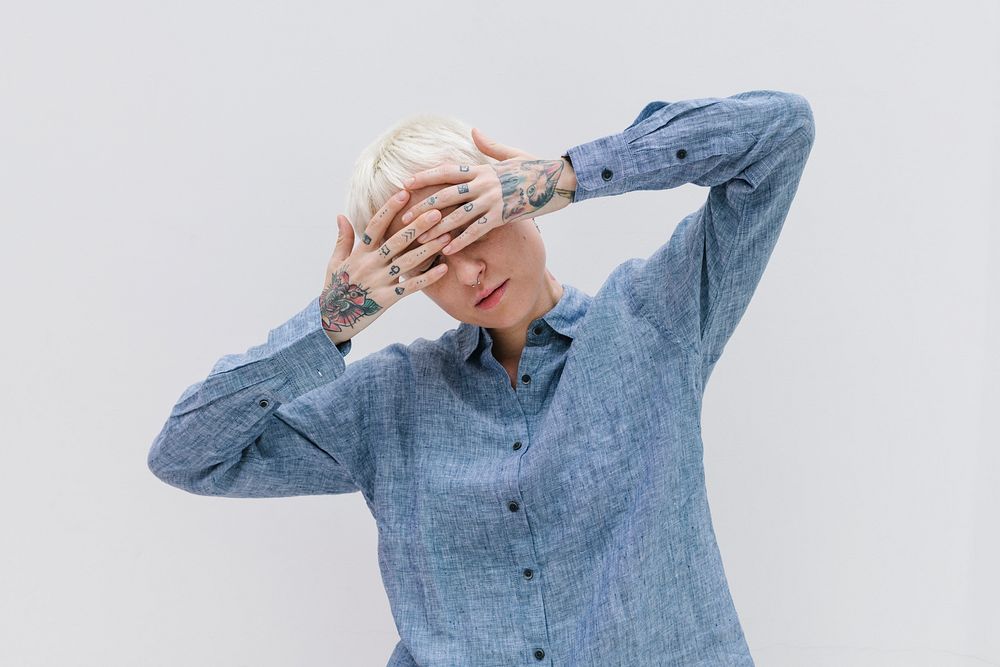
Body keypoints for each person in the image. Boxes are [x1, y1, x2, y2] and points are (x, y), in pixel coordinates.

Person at [148, 89, 815, 666]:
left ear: (508, 193)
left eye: (472, 223)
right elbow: (187, 455)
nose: (468, 270)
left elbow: (780, 131)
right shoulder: (390, 398)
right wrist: (327, 327)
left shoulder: (656, 320)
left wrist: (570, 175)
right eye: (429, 256)